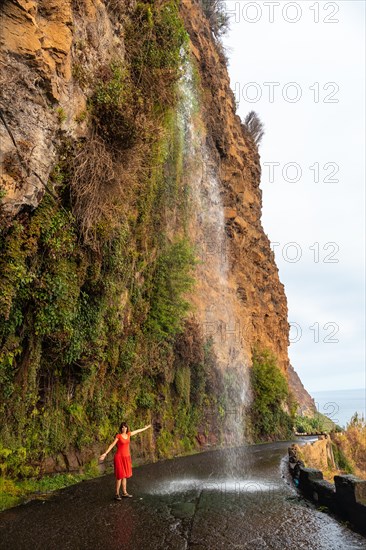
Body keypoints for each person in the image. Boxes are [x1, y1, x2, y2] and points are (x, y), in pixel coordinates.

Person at [99, 422, 152, 500]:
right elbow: (112, 444)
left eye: (125, 427)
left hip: (126, 457)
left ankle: (124, 492)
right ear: (121, 428)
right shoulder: (118, 436)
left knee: (125, 476)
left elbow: (138, 431)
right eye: (123, 427)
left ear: (127, 428)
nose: (124, 428)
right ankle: (117, 494)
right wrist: (105, 453)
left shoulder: (129, 434)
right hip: (119, 457)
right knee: (120, 476)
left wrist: (146, 428)